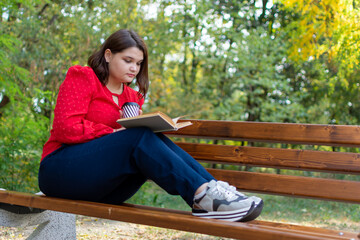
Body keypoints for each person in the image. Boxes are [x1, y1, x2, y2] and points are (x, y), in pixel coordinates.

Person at [38, 29, 263, 222]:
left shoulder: (132, 97)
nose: (134, 68)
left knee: (145, 135)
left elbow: (126, 143)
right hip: (59, 171)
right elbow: (65, 128)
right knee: (136, 137)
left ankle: (213, 190)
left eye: (138, 63)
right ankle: (203, 196)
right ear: (108, 55)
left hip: (103, 186)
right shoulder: (84, 76)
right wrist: (114, 133)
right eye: (128, 60)